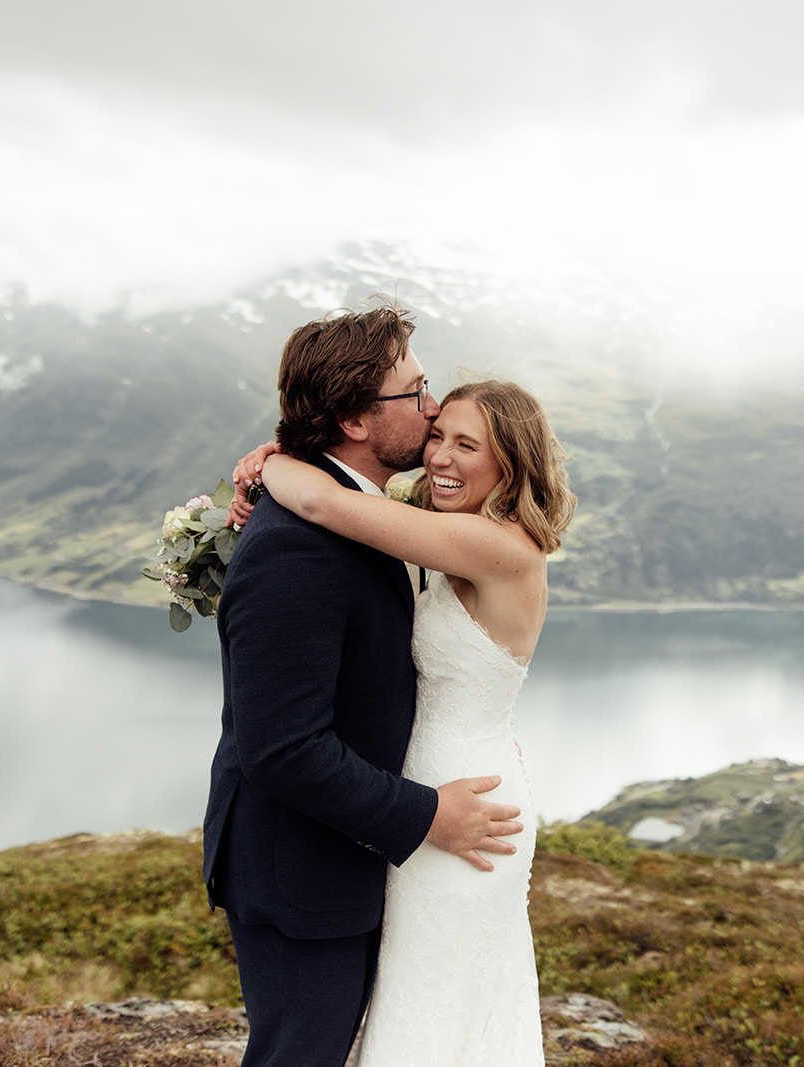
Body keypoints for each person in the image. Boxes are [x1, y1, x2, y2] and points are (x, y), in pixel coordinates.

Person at [202, 304, 527, 1067]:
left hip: (355, 849)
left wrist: (277, 459)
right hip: (301, 869)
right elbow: (284, 748)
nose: (433, 408)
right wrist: (426, 814)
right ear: (353, 419)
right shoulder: (297, 548)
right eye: (415, 393)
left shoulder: (373, 511)